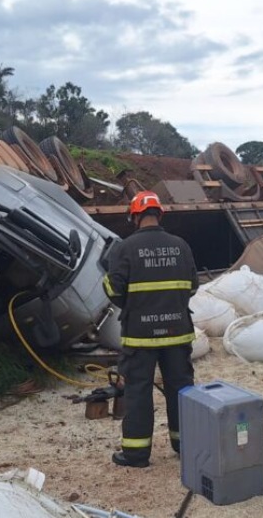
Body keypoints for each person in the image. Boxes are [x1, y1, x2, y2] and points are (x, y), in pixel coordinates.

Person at [102, 190, 198, 468]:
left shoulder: (124, 248)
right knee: (181, 389)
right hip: (177, 332)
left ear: (134, 216)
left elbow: (113, 290)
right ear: (159, 214)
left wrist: (134, 305)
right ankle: (186, 446)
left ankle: (136, 454)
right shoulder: (181, 246)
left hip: (140, 335)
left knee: (138, 391)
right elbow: (193, 286)